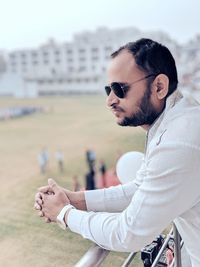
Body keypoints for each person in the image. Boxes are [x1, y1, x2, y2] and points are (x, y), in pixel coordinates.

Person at [34, 38, 200, 266]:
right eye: (108, 89)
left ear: (159, 87)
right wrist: (76, 200)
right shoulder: (177, 122)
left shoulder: (178, 141)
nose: (110, 100)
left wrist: (64, 214)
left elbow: (127, 234)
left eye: (120, 89)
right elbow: (140, 188)